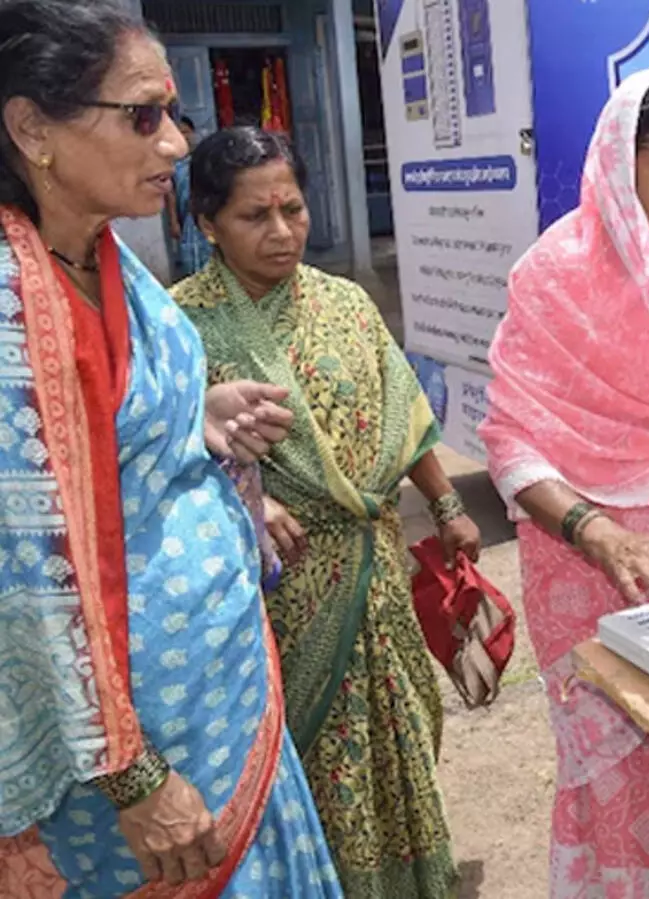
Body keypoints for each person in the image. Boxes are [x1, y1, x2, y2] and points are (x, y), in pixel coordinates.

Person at [0, 1, 342, 895]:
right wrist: (133, 775)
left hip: (222, 698)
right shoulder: (9, 312)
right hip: (129, 767)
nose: (177, 144)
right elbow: (24, 576)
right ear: (32, 129)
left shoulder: (103, 258)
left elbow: (104, 432)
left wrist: (198, 416)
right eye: (142, 115)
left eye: (173, 114)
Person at [171, 125, 477, 899]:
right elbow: (160, 459)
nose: (282, 231)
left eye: (294, 209)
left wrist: (445, 503)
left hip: (373, 568)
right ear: (208, 223)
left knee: (398, 736)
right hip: (281, 590)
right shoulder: (179, 328)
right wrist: (249, 496)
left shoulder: (346, 301)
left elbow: (403, 416)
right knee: (309, 760)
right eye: (255, 215)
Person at [479, 67, 649, 897]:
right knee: (614, 763)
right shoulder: (554, 273)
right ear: (617, 163)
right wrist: (599, 533)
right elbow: (509, 441)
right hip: (590, 571)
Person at [166, 114, 210, 280]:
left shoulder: (203, 160)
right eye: (179, 132)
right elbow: (170, 194)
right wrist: (173, 221)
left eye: (186, 132)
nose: (184, 136)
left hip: (205, 215)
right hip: (187, 218)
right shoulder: (172, 166)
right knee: (189, 253)